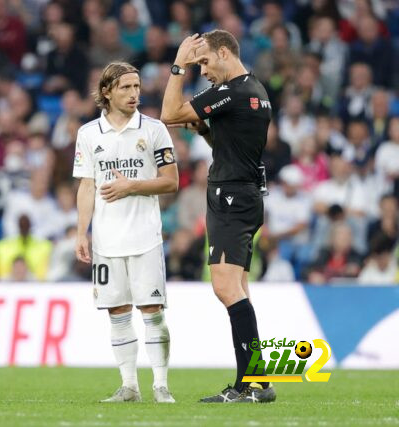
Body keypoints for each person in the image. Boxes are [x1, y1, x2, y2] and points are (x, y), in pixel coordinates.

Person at [161, 31, 275, 403]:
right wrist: (207, 131)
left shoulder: (234, 91)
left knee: (226, 289)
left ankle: (254, 383)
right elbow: (229, 145)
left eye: (206, 61)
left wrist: (179, 64)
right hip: (246, 195)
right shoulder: (255, 89)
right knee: (239, 289)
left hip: (230, 197)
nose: (203, 70)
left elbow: (169, 114)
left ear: (224, 53)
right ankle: (255, 382)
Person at [74, 62, 179, 403]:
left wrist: (131, 186)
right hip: (106, 241)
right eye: (126, 88)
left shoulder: (154, 130)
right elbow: (87, 186)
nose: (135, 94)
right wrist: (81, 232)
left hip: (146, 237)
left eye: (137, 87)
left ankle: (161, 385)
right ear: (106, 92)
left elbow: (171, 181)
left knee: (151, 311)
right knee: (117, 312)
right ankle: (129, 386)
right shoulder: (89, 134)